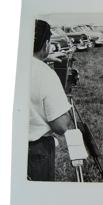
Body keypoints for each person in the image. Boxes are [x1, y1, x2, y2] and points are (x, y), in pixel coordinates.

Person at [28, 20, 72, 181]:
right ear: (46, 43)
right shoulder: (46, 74)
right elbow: (60, 126)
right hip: (35, 152)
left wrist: (43, 59)